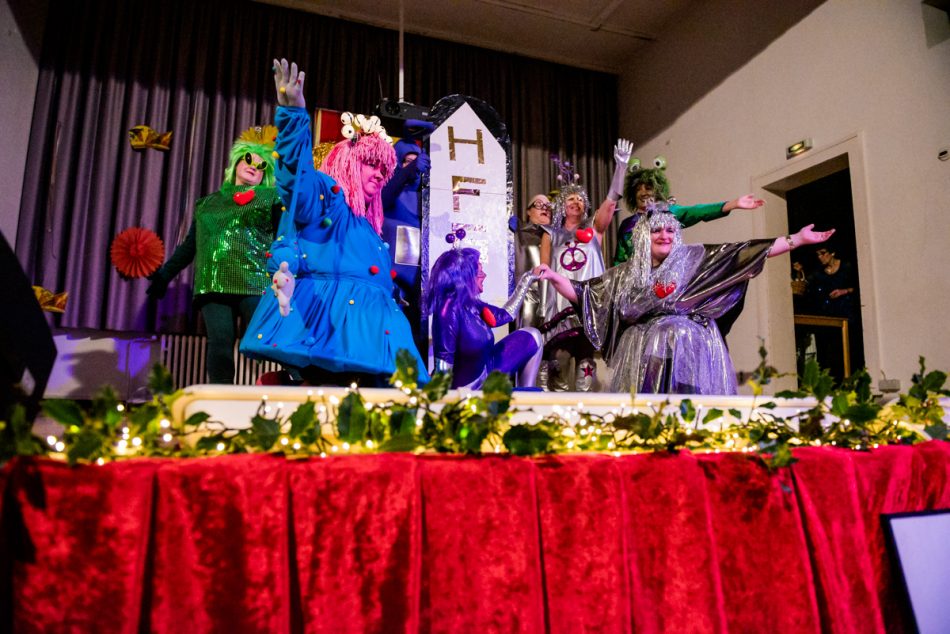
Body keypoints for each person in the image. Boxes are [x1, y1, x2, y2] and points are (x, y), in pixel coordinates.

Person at [239, 59, 429, 386]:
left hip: (370, 336)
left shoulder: (367, 224)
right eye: (371, 164)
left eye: (384, 170)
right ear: (348, 162)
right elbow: (296, 180)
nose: (379, 175)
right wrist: (293, 115)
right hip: (330, 325)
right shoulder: (329, 197)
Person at [535, 202, 834, 394]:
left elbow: (743, 254)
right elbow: (587, 293)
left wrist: (797, 239)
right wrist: (554, 277)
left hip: (689, 345)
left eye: (669, 230)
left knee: (675, 338)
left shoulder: (694, 259)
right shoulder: (627, 273)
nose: (664, 235)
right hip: (644, 354)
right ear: (644, 236)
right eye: (656, 231)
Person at [147, 126, 281, 383]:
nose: (254, 166)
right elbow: (191, 245)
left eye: (261, 165)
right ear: (237, 161)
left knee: (267, 340)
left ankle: (296, 386)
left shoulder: (271, 198)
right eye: (249, 158)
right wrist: (165, 275)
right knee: (219, 343)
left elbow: (283, 238)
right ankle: (222, 396)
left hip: (255, 282)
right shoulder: (207, 204)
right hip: (214, 283)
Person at [539, 140, 632, 391]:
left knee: (586, 363)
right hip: (560, 305)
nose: (576, 202)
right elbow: (543, 269)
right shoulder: (550, 233)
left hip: (589, 304)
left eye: (580, 199)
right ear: (562, 205)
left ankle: (584, 407)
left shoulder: (594, 229)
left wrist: (621, 167)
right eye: (571, 198)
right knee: (558, 361)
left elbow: (611, 201)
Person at [427, 247, 542, 389]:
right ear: (465, 277)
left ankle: (528, 395)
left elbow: (506, 314)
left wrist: (528, 278)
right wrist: (442, 395)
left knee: (532, 336)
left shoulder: (473, 304)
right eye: (480, 272)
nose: (484, 276)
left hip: (486, 372)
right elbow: (444, 361)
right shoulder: (448, 310)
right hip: (465, 388)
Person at [612, 159, 764, 265]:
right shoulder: (627, 225)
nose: (643, 193)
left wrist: (731, 204)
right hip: (635, 288)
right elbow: (619, 261)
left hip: (666, 281)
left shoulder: (668, 213)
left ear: (658, 191)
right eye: (638, 189)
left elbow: (698, 211)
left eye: (648, 188)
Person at [381, 120, 435, 356]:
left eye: (417, 161)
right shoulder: (389, 190)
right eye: (407, 160)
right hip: (393, 284)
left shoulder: (429, 198)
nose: (414, 165)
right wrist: (405, 173)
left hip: (422, 285)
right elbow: (383, 199)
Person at [512, 194, 552, 331]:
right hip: (527, 298)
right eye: (539, 204)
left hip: (552, 298)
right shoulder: (518, 231)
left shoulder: (557, 235)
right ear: (528, 211)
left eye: (548, 206)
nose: (545, 208)